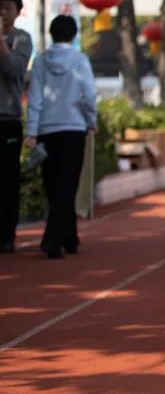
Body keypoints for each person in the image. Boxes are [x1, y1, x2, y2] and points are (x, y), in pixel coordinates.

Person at [24, 15, 96, 259]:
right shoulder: (80, 60)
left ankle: (70, 238)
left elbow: (34, 98)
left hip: (46, 129)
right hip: (74, 128)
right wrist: (92, 120)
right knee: (68, 185)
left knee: (53, 185)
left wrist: (31, 131)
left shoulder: (41, 61)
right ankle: (53, 240)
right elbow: (89, 94)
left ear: (51, 33)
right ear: (74, 35)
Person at [0, 0, 32, 253]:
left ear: (18, 12)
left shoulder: (21, 39)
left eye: (8, 8)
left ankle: (7, 235)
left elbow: (14, 72)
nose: (3, 12)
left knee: (8, 179)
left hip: (8, 117)